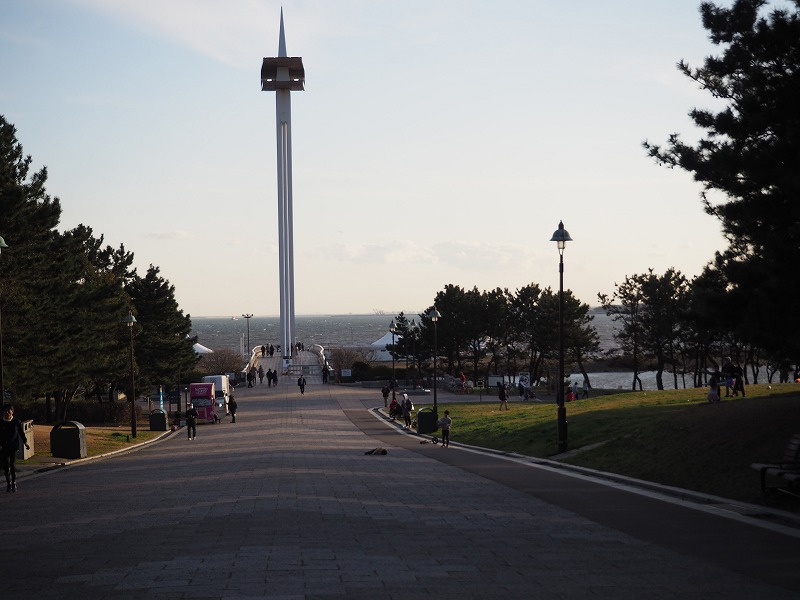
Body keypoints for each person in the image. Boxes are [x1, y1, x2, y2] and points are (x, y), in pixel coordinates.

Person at [1, 404, 30, 492]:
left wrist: (25, 442)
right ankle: (8, 484)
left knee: (12, 465)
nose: (7, 412)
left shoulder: (16, 421)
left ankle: (14, 482)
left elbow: (21, 433)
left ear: (12, 412)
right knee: (6, 467)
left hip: (13, 446)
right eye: (5, 410)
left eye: (8, 410)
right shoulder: (1, 422)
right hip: (3, 447)